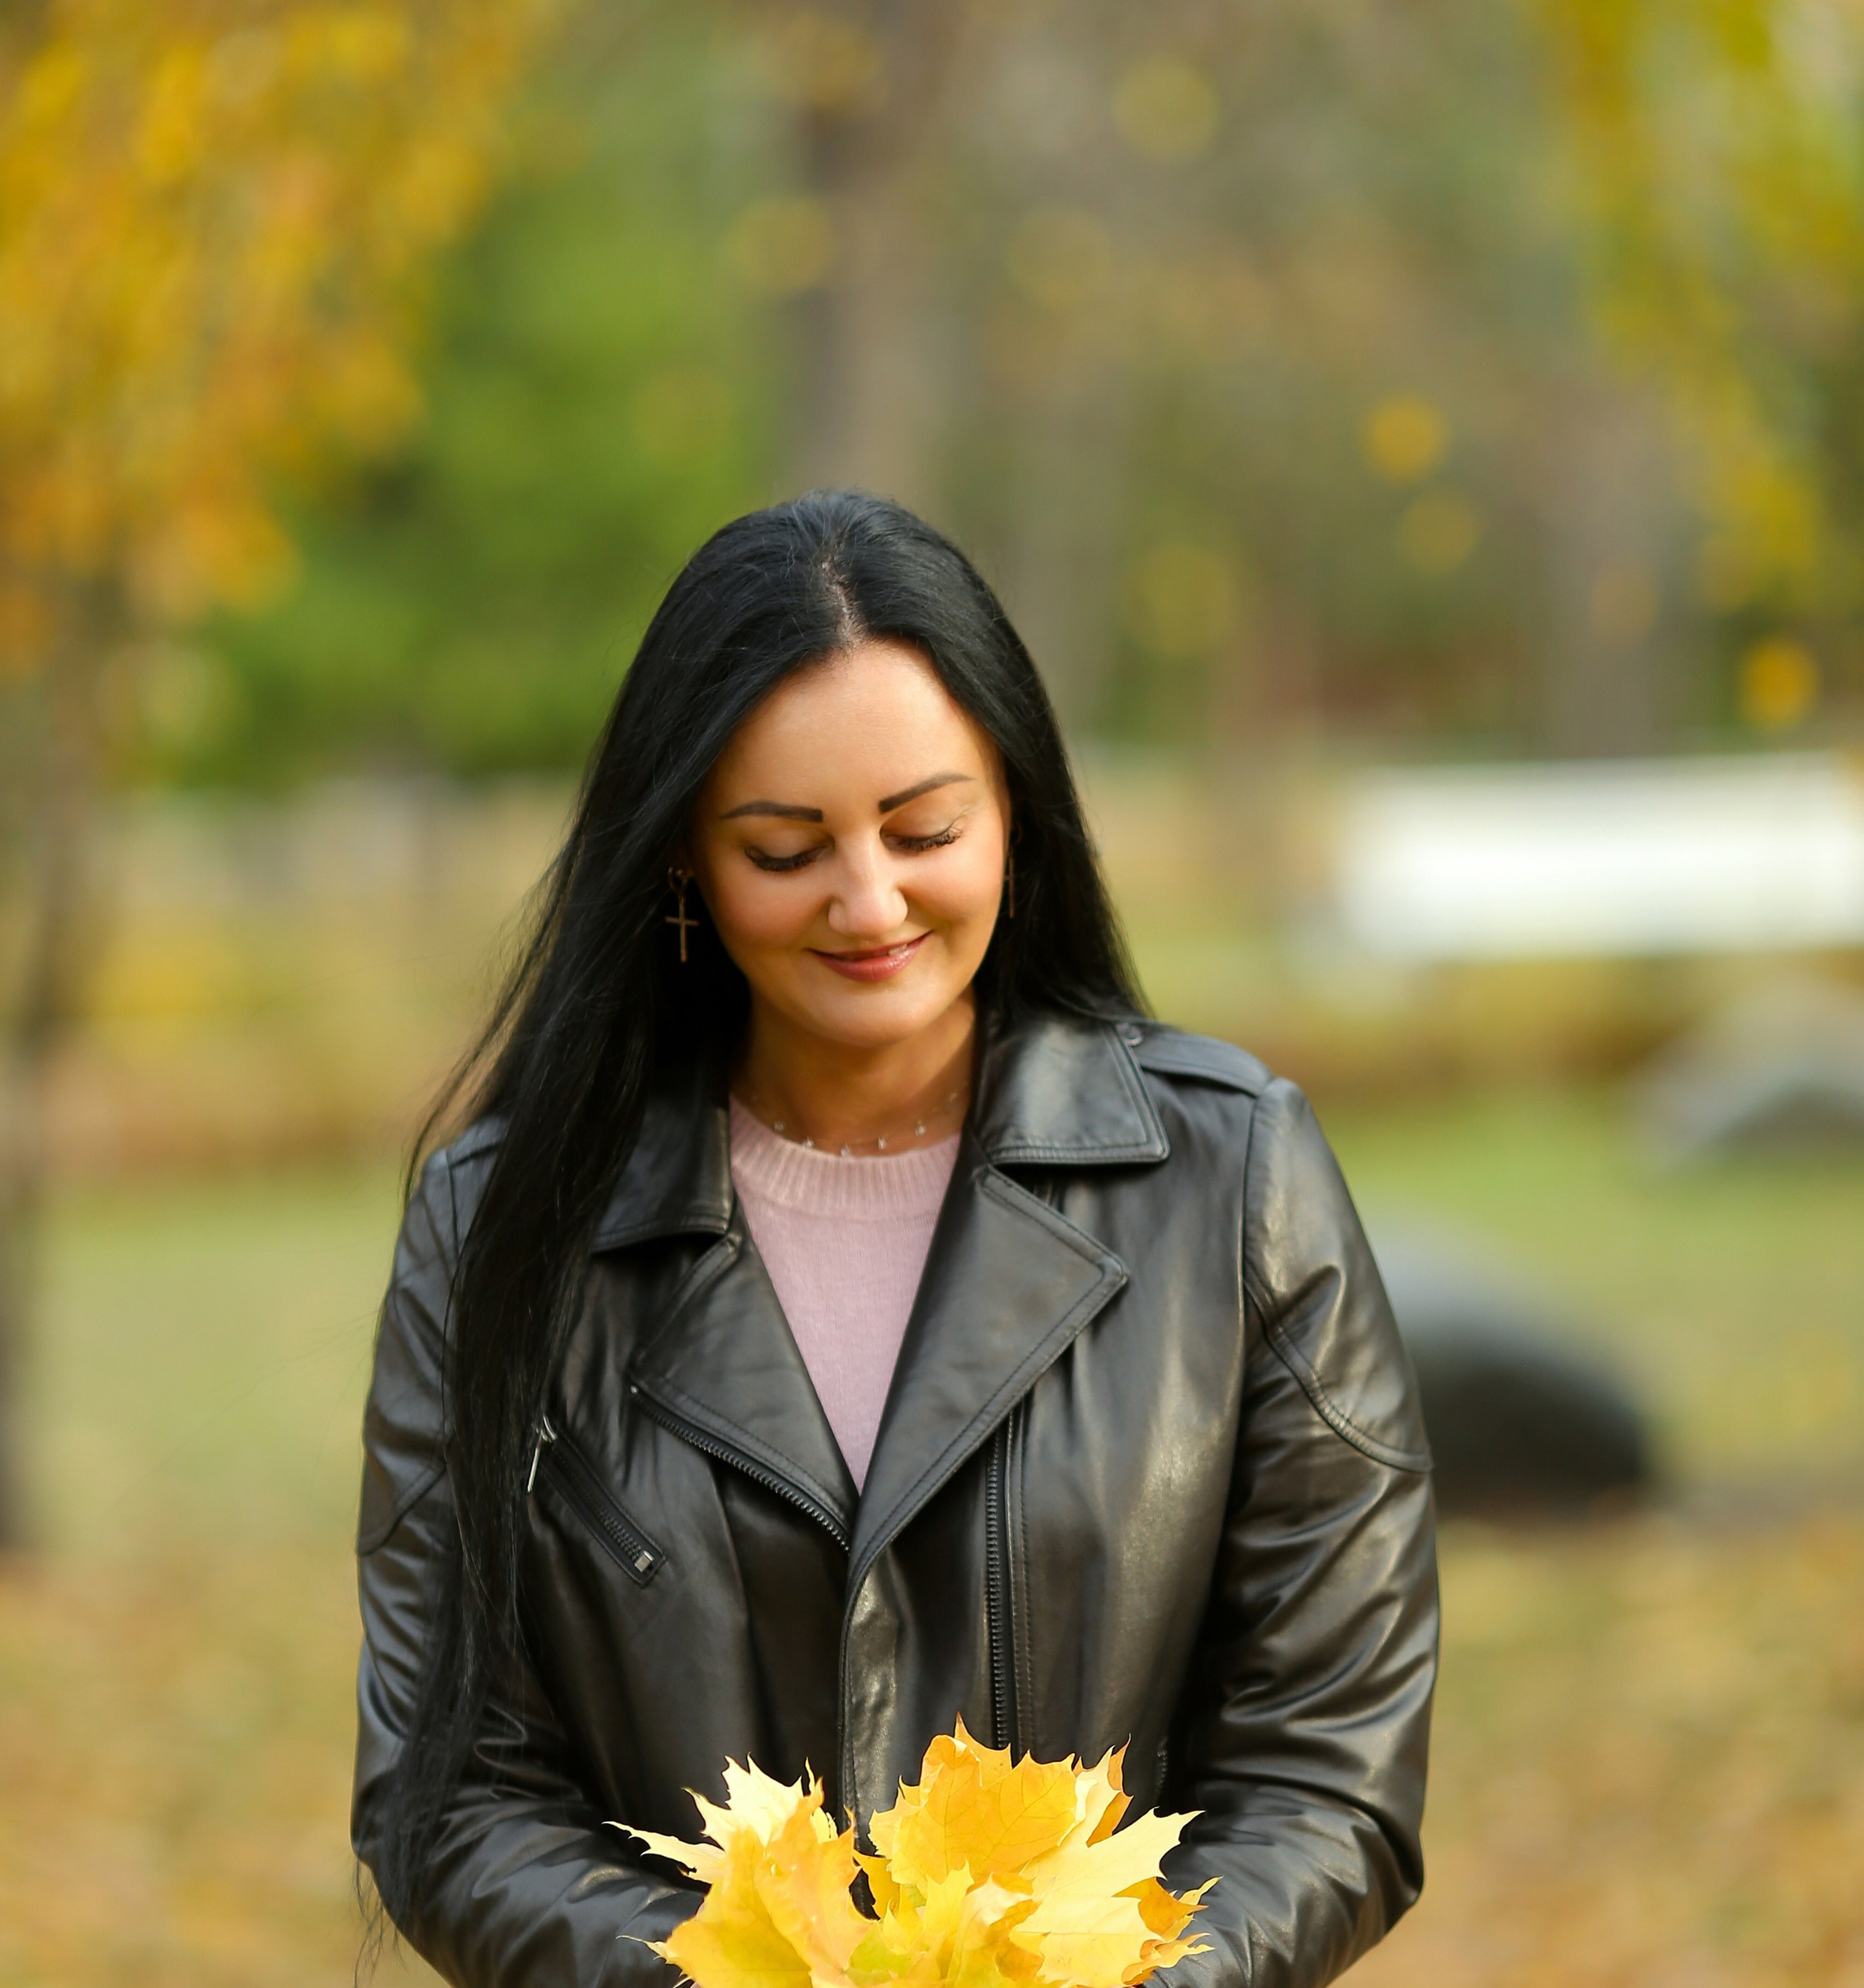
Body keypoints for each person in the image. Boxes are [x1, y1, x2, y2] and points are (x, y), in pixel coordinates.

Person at [352, 491, 1438, 1988]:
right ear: (681, 855)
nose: (870, 903)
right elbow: (450, 1788)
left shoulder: (1233, 1179)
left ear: (1016, 809)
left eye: (925, 828)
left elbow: (1330, 1769)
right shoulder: (503, 1231)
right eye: (785, 849)